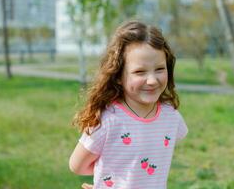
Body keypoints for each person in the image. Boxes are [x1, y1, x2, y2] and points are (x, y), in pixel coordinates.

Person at [69, 21, 188, 189]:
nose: (152, 80)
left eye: (160, 69)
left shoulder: (172, 117)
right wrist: (107, 175)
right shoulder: (109, 120)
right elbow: (77, 165)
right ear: (118, 75)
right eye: (140, 72)